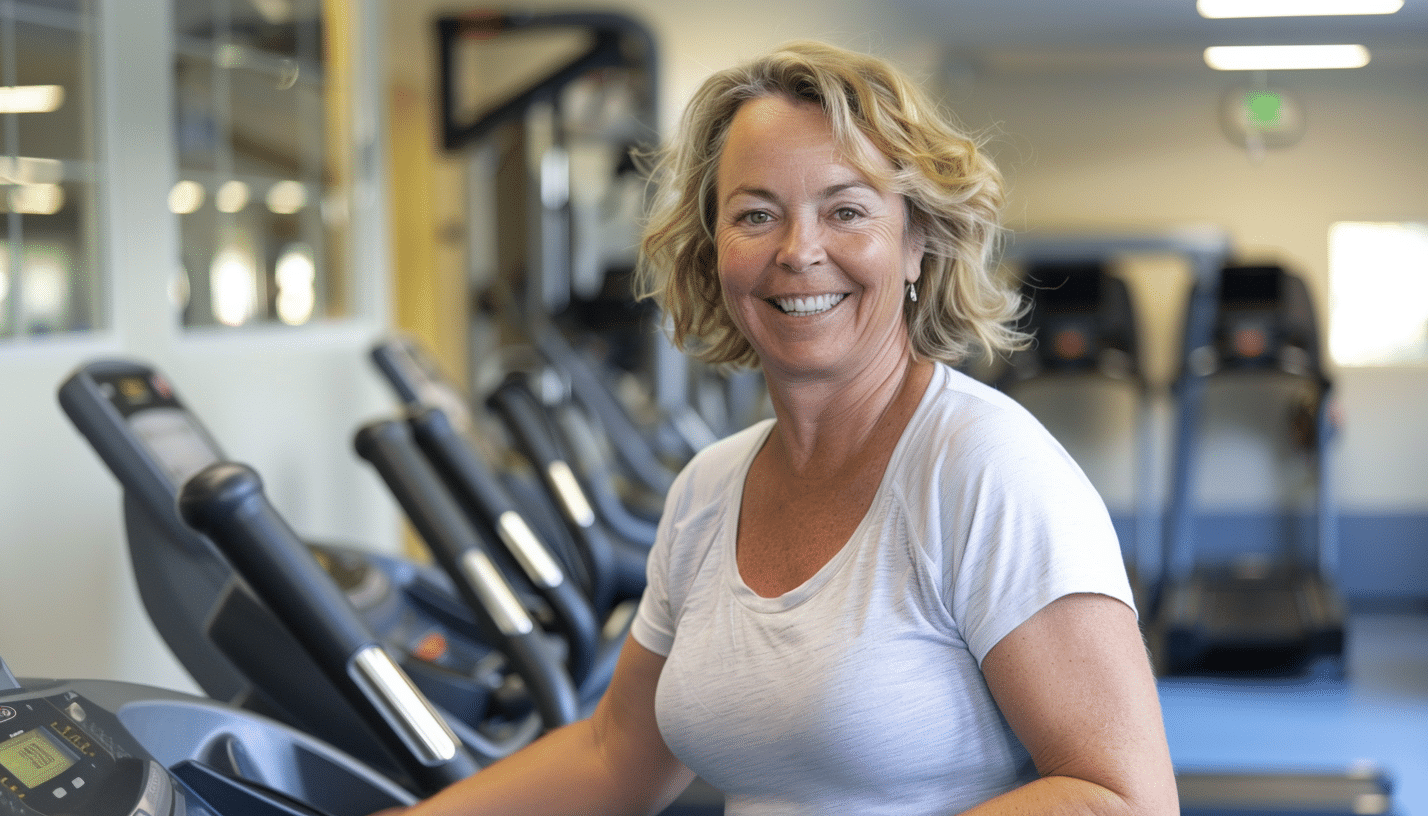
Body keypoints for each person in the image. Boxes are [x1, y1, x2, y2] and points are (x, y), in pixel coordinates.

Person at [385, 39, 1178, 816]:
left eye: (846, 210)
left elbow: (1123, 797)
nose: (799, 251)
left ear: (916, 243)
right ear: (712, 250)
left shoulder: (985, 469)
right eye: (756, 214)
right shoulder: (708, 490)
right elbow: (613, 756)